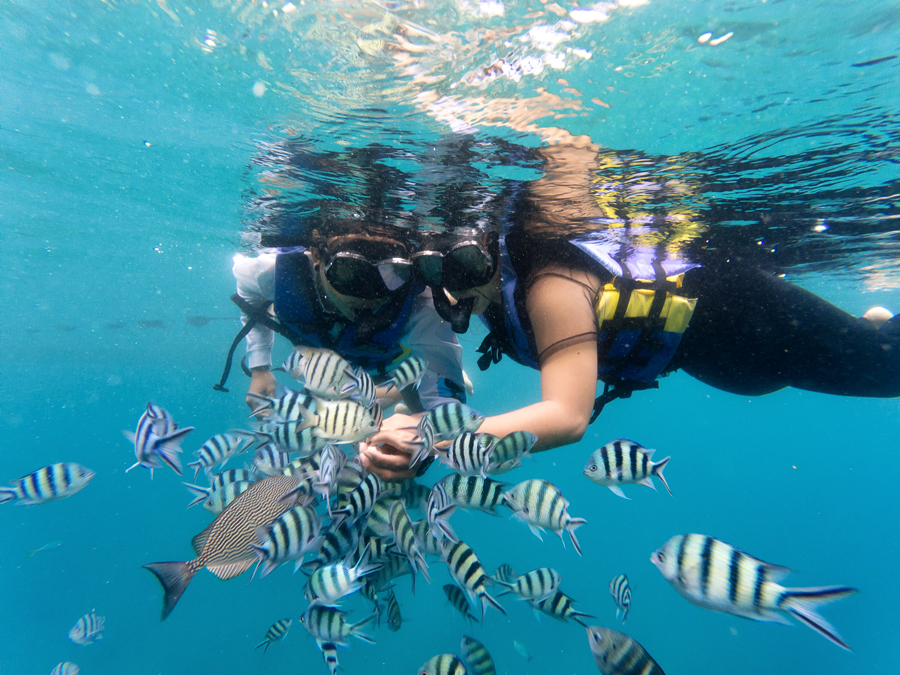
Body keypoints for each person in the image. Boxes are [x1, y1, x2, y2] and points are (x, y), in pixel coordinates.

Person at [358, 145, 900, 481]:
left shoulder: (550, 285)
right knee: (865, 353)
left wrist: (434, 440)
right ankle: (868, 329)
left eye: (468, 264)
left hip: (748, 320)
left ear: (494, 249)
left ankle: (872, 334)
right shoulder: (480, 293)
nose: (452, 289)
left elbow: (567, 416)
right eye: (438, 272)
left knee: (887, 369)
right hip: (712, 362)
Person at [222, 217, 467, 414]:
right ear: (317, 256)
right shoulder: (270, 272)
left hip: (395, 366)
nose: (370, 294)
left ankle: (396, 394)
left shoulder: (422, 301)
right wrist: (259, 367)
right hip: (330, 373)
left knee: (414, 422)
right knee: (333, 419)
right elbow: (247, 292)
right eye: (350, 269)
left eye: (392, 271)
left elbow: (445, 406)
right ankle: (392, 396)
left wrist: (437, 372)